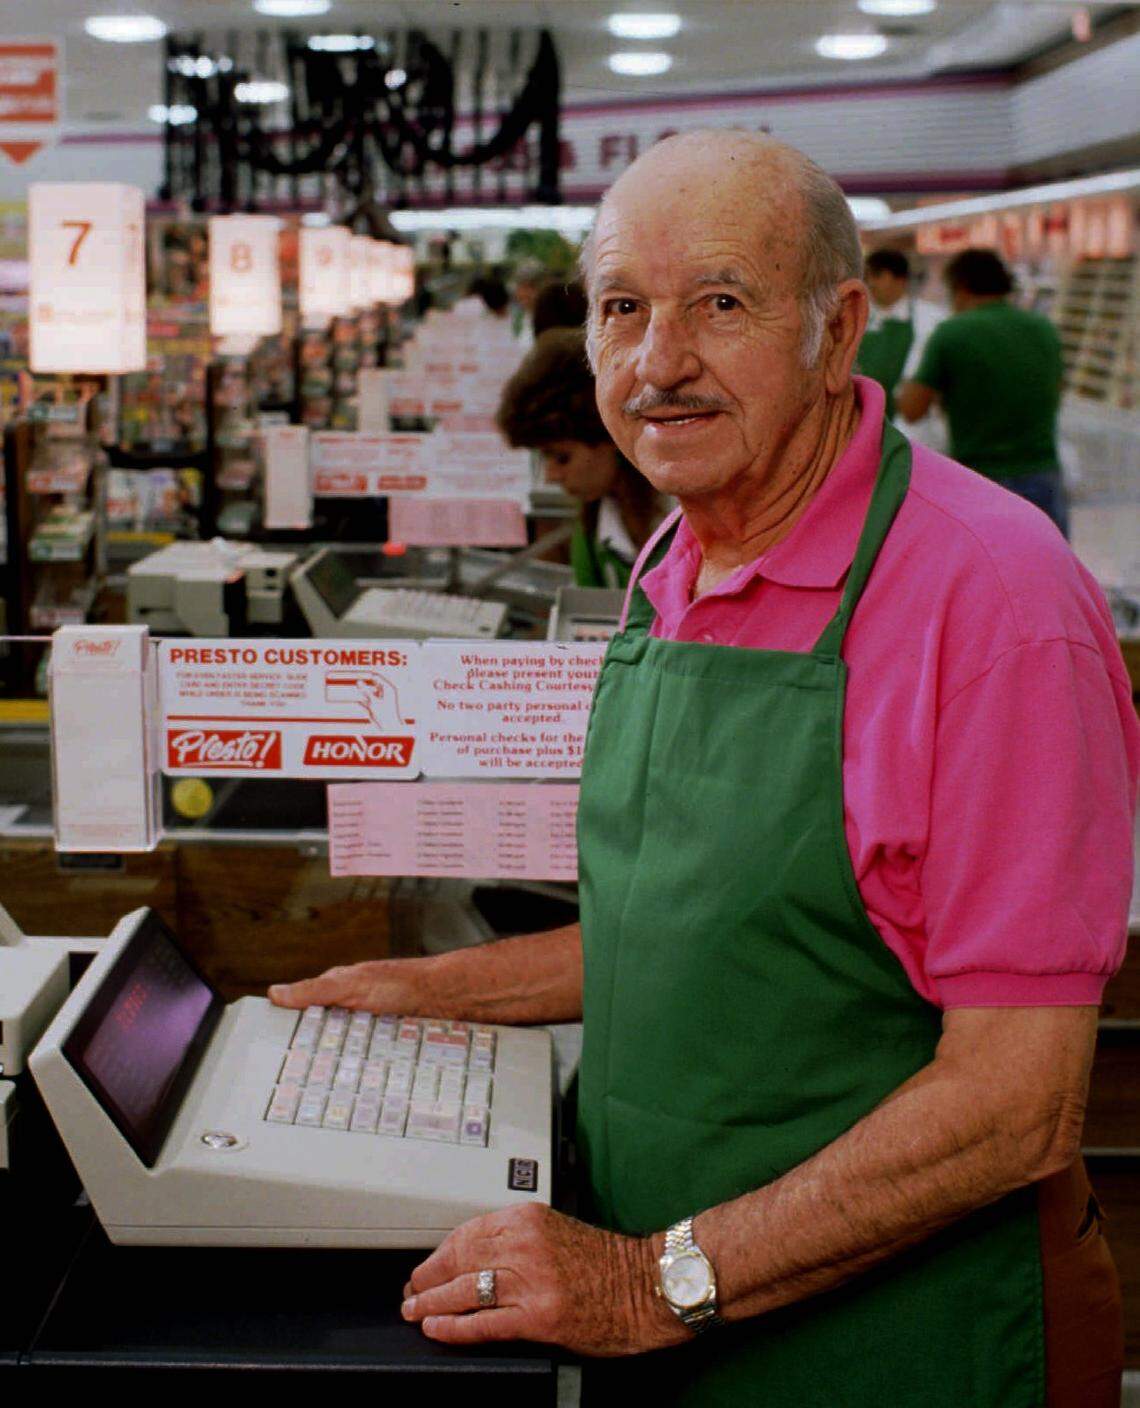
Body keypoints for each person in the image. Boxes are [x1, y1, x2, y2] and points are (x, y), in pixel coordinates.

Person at [271, 132, 1137, 1406]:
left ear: (838, 330)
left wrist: (648, 1283)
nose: (656, 363)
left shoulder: (994, 604)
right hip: (689, 1309)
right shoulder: (680, 554)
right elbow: (710, 926)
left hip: (904, 1345)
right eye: (622, 309)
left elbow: (1019, 1101)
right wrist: (430, 991)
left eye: (720, 305)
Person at [897, 247, 1069, 534]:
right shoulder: (1044, 328)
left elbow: (912, 410)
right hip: (1044, 474)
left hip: (979, 477)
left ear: (960, 288)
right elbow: (1056, 390)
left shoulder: (951, 333)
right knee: (1047, 572)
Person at [496, 325, 663, 588]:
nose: (551, 476)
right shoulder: (592, 529)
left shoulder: (683, 520)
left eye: (562, 458)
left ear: (612, 437)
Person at [857, 248, 944, 437]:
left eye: (877, 276)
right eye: (867, 276)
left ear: (900, 279)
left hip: (914, 429)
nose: (870, 283)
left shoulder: (929, 318)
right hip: (864, 423)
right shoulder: (858, 319)